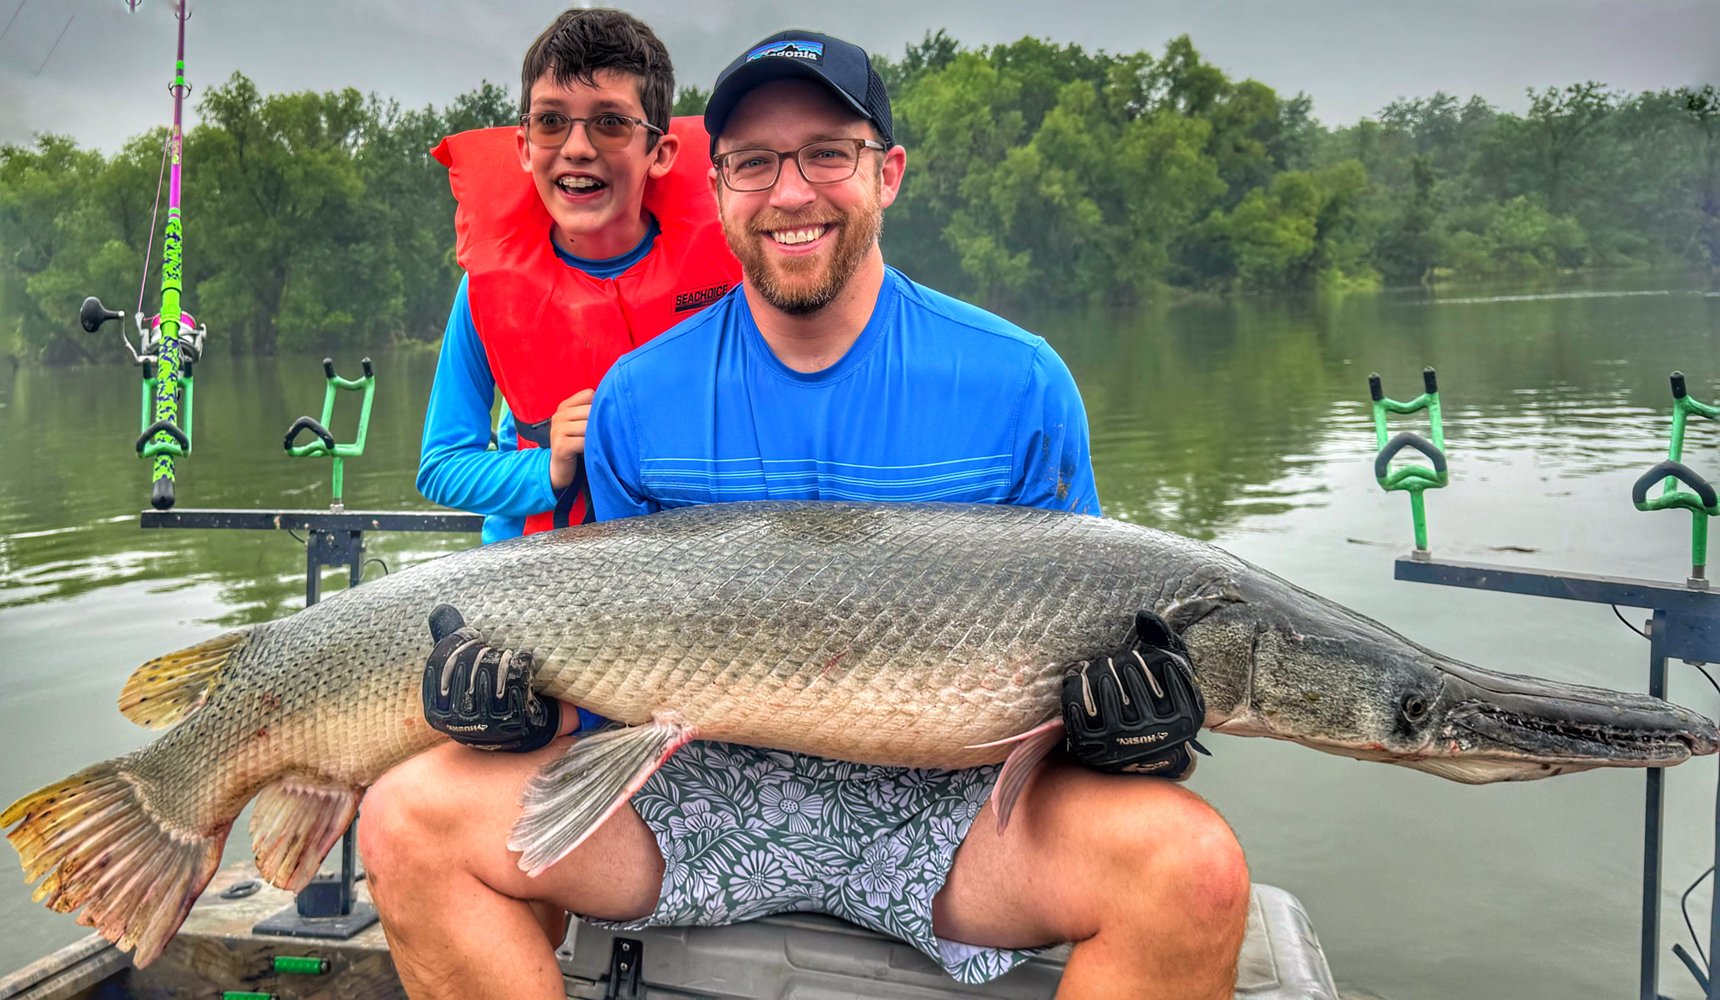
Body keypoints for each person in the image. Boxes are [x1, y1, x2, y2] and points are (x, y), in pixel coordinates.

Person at [361, 30, 1249, 1000]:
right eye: (753, 162)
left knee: (1191, 869)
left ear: (887, 172)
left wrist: (1127, 727)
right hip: (698, 790)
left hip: (954, 807)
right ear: (718, 184)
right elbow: (609, 669)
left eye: (827, 152)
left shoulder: (1021, 381)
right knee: (407, 818)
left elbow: (1090, 627)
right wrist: (516, 713)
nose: (791, 192)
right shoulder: (633, 398)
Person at [415, 8, 739, 543]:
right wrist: (549, 466)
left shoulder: (735, 268)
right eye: (550, 121)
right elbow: (442, 466)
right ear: (524, 147)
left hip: (685, 568)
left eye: (611, 123)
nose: (578, 147)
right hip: (537, 571)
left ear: (659, 153)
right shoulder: (484, 289)